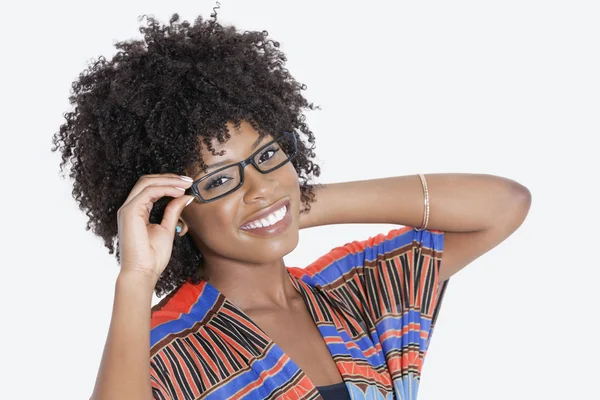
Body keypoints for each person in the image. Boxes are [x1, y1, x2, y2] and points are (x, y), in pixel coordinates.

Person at [51, 8, 532, 400]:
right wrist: (136, 279)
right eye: (220, 180)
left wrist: (293, 201)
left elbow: (503, 205)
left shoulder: (357, 293)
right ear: (173, 211)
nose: (258, 186)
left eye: (266, 155)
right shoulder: (166, 349)